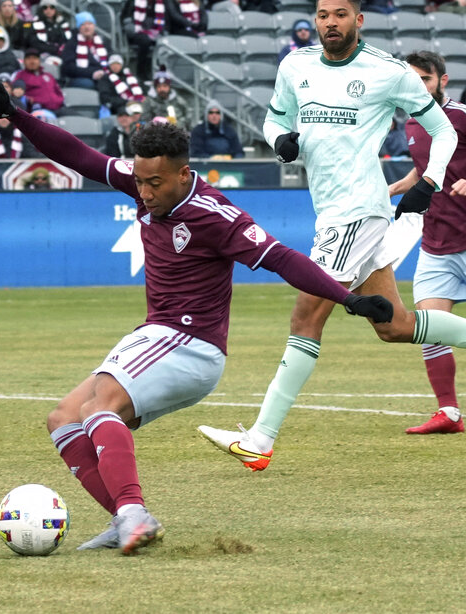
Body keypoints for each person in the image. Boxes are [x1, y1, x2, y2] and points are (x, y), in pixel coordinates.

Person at [0, 75, 392, 554]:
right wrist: (16, 115)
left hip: (191, 343)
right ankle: (124, 520)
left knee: (97, 407)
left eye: (155, 183)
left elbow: (281, 257)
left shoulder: (215, 214)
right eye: (140, 181)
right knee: (64, 418)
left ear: (183, 172)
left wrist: (349, 299)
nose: (144, 192)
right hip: (159, 336)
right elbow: (79, 156)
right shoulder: (142, 180)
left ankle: (132, 512)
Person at [197, 0, 463, 471]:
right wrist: (281, 140)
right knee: (394, 325)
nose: (330, 22)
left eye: (341, 14)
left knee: (305, 318)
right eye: (323, 14)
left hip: (357, 212)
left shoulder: (388, 71)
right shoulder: (295, 64)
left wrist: (429, 182)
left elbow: (444, 132)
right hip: (334, 211)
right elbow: (276, 118)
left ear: (358, 20)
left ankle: (260, 439)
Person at [388, 51, 466, 434]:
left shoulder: (462, 117)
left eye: (426, 80)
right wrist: (391, 189)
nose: (419, 87)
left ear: (443, 81)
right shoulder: (414, 124)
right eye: (412, 80)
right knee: (429, 326)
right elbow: (424, 167)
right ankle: (449, 413)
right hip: (437, 243)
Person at [60, 11, 109, 90]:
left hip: (102, 75)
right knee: (88, 83)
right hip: (79, 77)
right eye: (83, 24)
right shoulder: (72, 43)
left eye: (90, 24)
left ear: (94, 26)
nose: (87, 27)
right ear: (79, 28)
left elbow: (110, 59)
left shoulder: (102, 42)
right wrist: (92, 73)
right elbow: (68, 68)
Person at [12, 47, 62, 113]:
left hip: (58, 108)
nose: (32, 61)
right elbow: (15, 93)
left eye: (35, 58)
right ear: (24, 61)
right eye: (29, 58)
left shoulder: (48, 75)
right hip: (39, 110)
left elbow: (59, 92)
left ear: (39, 61)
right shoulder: (21, 75)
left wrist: (58, 100)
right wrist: (31, 100)